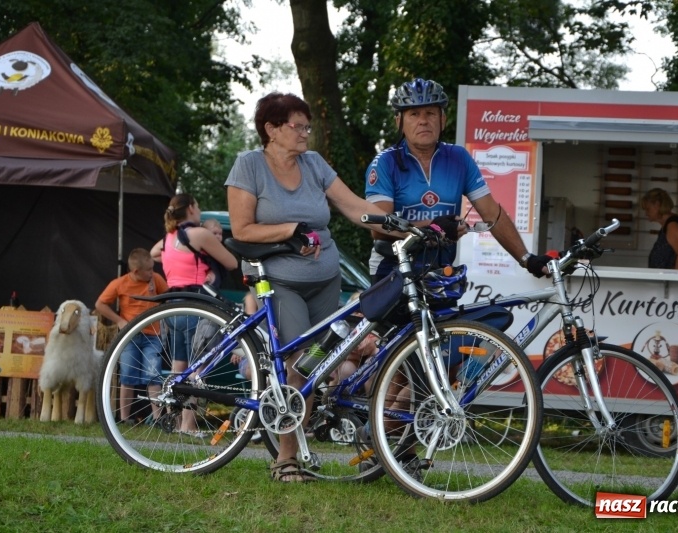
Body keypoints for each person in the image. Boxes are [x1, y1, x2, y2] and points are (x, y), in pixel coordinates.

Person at [225, 91, 391, 482]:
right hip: (280, 281)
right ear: (271, 129)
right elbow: (242, 228)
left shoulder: (314, 164)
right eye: (297, 126)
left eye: (307, 126)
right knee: (301, 360)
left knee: (318, 365)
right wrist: (291, 230)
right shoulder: (250, 165)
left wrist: (403, 226)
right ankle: (285, 459)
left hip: (325, 281)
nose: (305, 134)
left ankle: (297, 446)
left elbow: (353, 206)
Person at [365, 77, 551, 281]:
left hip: (440, 269)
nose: (423, 121)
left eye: (430, 113)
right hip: (392, 269)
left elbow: (491, 213)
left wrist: (526, 259)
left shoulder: (458, 158)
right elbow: (379, 229)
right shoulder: (385, 163)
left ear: (442, 119)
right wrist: (434, 226)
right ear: (399, 122)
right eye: (414, 114)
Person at [150, 193, 239, 435]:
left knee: (179, 368)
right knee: (196, 370)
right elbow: (231, 262)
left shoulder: (168, 238)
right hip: (195, 305)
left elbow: (153, 254)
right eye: (197, 206)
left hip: (172, 308)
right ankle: (188, 426)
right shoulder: (198, 234)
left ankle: (173, 421)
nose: (199, 211)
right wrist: (206, 261)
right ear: (190, 208)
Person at [94, 248, 169, 425]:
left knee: (153, 374)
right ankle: (124, 418)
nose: (153, 272)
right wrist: (119, 320)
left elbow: (169, 298)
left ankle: (157, 418)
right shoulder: (120, 283)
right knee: (127, 375)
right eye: (149, 270)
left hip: (153, 335)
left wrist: (156, 294)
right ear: (136, 271)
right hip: (130, 336)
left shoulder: (155, 280)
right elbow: (100, 304)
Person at [641, 188, 678, 270]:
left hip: (675, 281)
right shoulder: (668, 225)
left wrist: (674, 280)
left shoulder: (673, 225)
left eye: (648, 209)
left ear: (657, 205)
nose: (646, 213)